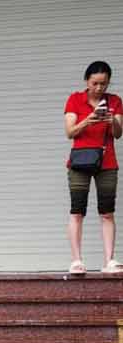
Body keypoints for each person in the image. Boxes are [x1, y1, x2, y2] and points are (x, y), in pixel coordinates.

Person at [64, 61, 123, 275]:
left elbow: (118, 133)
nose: (99, 88)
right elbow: (70, 132)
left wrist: (111, 121)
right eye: (95, 83)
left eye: (104, 84)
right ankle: (76, 261)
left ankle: (109, 261)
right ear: (86, 81)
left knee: (107, 212)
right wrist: (88, 120)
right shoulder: (74, 99)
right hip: (79, 162)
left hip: (107, 162)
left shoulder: (115, 101)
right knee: (77, 211)